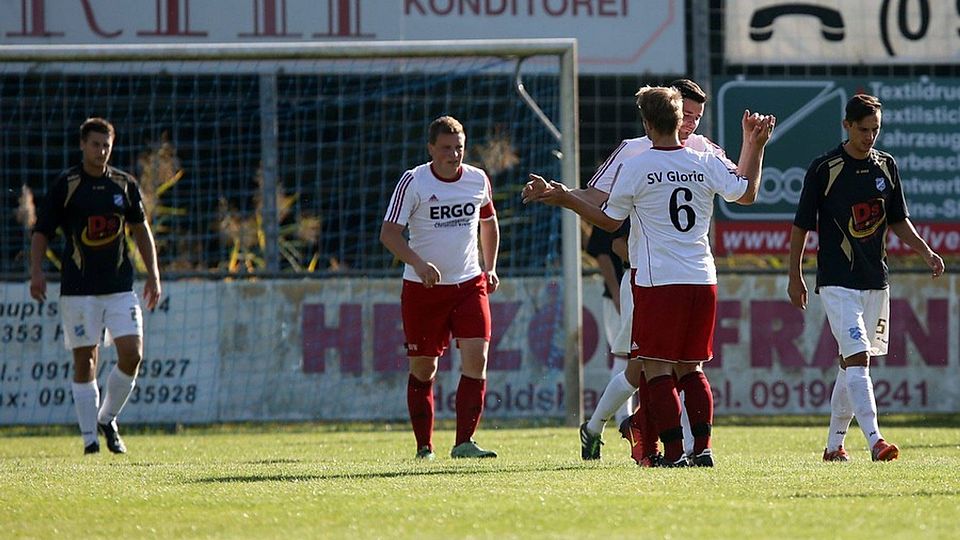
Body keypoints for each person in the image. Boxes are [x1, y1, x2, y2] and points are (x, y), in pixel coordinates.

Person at [529, 86, 775, 467]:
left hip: (657, 281)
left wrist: (564, 198)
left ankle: (672, 453)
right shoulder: (704, 161)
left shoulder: (637, 166)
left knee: (655, 368)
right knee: (691, 369)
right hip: (702, 278)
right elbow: (746, 193)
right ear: (679, 119)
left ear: (647, 123)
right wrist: (756, 147)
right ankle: (702, 449)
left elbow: (608, 219)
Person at [787, 94, 944, 463]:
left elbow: (897, 219)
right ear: (847, 125)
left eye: (875, 129)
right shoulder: (825, 169)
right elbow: (801, 226)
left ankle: (833, 447)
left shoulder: (886, 166)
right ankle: (876, 440)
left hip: (875, 280)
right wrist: (794, 275)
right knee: (859, 359)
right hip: (837, 281)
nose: (869, 136)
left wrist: (925, 251)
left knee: (850, 364)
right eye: (863, 129)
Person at [30, 117, 162, 455]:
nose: (101, 151)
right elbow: (42, 231)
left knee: (132, 354)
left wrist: (153, 273)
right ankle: (90, 440)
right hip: (79, 289)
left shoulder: (124, 184)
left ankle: (107, 418)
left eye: (106, 145)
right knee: (85, 360)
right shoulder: (68, 184)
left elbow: (140, 229)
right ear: (82, 145)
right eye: (95, 144)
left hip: (119, 286)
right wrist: (37, 271)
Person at [380, 115, 501, 460]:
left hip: (470, 284)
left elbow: (489, 223)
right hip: (424, 290)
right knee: (424, 369)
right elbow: (389, 233)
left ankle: (464, 442)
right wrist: (418, 264)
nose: (453, 154)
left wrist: (490, 267)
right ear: (431, 148)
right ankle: (424, 447)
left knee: (477, 359)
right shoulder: (414, 181)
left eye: (459, 147)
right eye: (446, 148)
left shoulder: (477, 179)